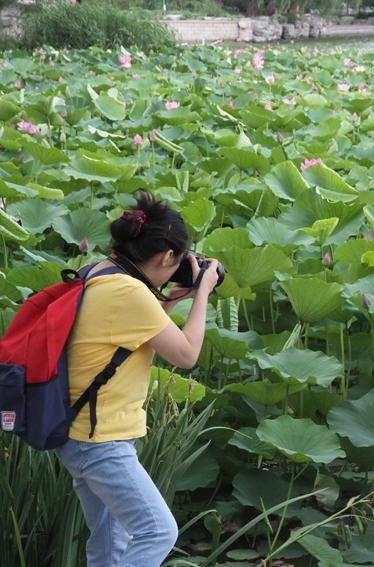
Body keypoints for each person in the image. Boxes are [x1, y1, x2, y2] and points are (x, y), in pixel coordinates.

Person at [54, 192, 220, 566]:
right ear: (165, 257)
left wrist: (173, 299)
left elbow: (128, 330)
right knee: (158, 530)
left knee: (111, 545)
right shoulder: (130, 292)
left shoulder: (100, 272)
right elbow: (186, 355)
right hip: (100, 440)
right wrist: (203, 292)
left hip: (81, 432)